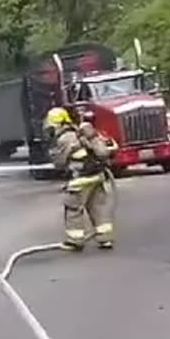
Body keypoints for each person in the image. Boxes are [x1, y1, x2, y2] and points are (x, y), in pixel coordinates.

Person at [47, 107, 116, 251]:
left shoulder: (64, 138)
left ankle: (75, 241)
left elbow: (59, 163)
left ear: (56, 124)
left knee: (73, 210)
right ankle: (105, 239)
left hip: (80, 180)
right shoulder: (80, 133)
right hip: (97, 176)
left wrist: (55, 157)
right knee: (98, 209)